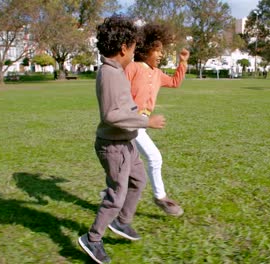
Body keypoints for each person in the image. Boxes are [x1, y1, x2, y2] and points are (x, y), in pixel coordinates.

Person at [78, 15, 166, 264]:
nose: (135, 54)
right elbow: (110, 115)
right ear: (124, 48)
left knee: (138, 180)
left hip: (126, 142)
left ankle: (122, 222)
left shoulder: (118, 71)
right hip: (112, 146)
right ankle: (93, 239)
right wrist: (145, 121)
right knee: (116, 194)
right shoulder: (109, 74)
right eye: (134, 49)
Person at [125, 23, 189, 216]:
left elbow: (175, 82)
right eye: (158, 51)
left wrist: (183, 62)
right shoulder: (133, 68)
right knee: (154, 157)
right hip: (130, 122)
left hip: (142, 123)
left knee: (125, 166)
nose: (161, 55)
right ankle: (160, 198)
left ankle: (109, 195)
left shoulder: (158, 74)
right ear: (145, 50)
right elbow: (121, 93)